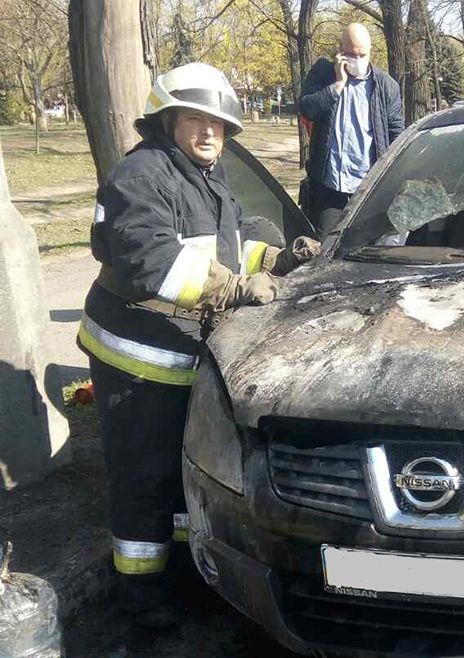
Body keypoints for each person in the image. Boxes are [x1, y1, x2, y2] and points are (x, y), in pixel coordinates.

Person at [77, 62, 319, 628]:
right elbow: (151, 263)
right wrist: (234, 289)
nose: (209, 132)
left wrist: (281, 258)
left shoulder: (206, 177)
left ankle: (186, 573)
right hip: (137, 356)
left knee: (186, 471)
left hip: (183, 353)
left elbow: (229, 250)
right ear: (167, 121)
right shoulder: (141, 177)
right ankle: (138, 598)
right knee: (145, 475)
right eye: (195, 120)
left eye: (218, 123)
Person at [298, 23, 405, 237]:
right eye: (350, 54)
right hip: (329, 185)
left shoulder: (386, 85)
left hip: (368, 187)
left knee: (364, 247)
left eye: (362, 54)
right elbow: (307, 109)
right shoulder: (323, 73)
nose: (357, 60)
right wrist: (337, 85)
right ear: (340, 51)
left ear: (370, 51)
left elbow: (396, 134)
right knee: (324, 248)